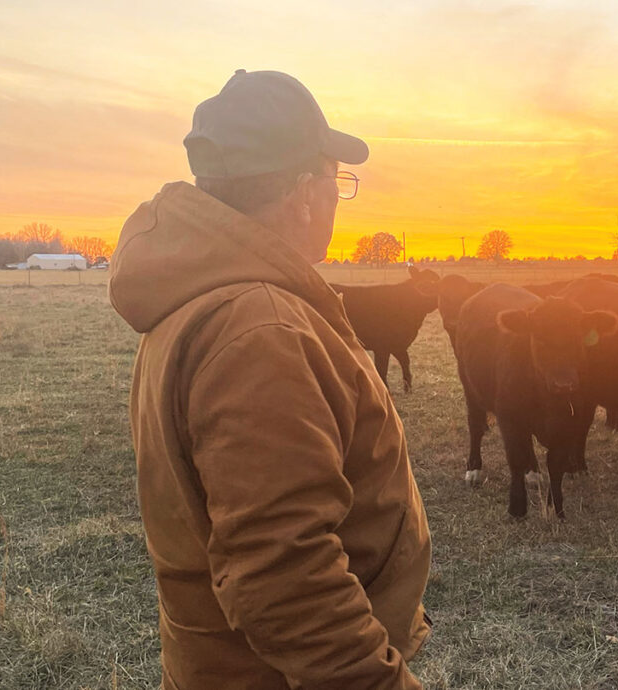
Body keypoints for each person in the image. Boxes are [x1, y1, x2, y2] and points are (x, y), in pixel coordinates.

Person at [109, 69, 431, 690]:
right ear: (305, 192)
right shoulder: (260, 330)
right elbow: (284, 574)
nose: (339, 197)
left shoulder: (206, 294)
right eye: (335, 179)